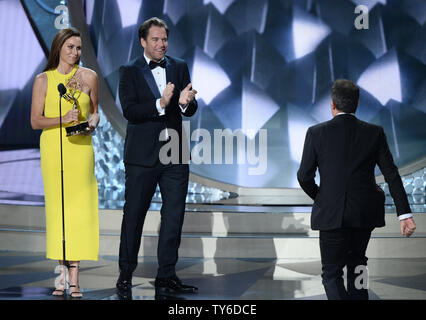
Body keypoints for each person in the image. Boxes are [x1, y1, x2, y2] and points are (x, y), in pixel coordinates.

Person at [297, 79, 416, 300]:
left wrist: (323, 197)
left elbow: (304, 176)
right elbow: (391, 174)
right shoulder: (374, 132)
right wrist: (404, 214)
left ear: (332, 104)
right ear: (357, 103)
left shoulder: (316, 133)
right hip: (363, 213)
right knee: (359, 265)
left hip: (332, 215)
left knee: (331, 274)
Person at [116, 17, 198, 299]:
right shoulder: (129, 71)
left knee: (173, 217)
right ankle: (125, 275)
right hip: (141, 156)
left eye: (164, 39)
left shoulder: (179, 66)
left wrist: (186, 105)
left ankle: (166, 276)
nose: (161, 44)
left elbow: (190, 104)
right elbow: (130, 110)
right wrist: (161, 103)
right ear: (143, 41)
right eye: (155, 40)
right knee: (134, 216)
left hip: (174, 152)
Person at [30, 27, 100, 298]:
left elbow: (95, 113)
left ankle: (75, 278)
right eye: (70, 47)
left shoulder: (89, 77)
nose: (75, 52)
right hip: (53, 149)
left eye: (78, 48)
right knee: (58, 210)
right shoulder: (43, 80)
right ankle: (61, 275)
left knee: (79, 211)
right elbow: (36, 121)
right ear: (58, 48)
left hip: (81, 150)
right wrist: (64, 119)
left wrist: (90, 124)